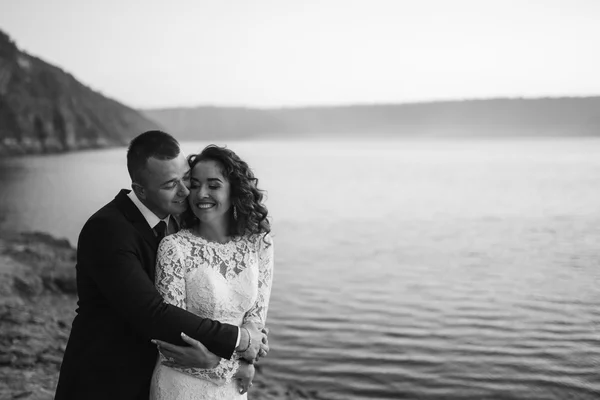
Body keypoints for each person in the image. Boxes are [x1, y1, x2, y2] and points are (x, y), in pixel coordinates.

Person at [55, 131, 268, 400]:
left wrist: (247, 351)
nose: (185, 191)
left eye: (186, 178)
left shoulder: (179, 219)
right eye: (170, 185)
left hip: (162, 376)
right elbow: (152, 313)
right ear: (140, 189)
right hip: (107, 380)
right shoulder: (108, 229)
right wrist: (238, 340)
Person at [149, 145, 274, 400]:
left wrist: (250, 354)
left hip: (232, 392)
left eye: (213, 185)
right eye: (194, 184)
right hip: (180, 386)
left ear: (234, 191)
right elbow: (169, 341)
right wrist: (232, 367)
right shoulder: (174, 248)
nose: (201, 194)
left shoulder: (259, 243)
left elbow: (256, 321)